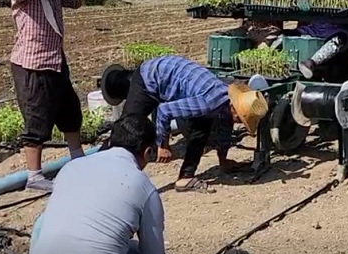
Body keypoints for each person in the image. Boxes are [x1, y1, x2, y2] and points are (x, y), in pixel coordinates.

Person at [100, 55, 269, 193]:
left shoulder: (225, 104)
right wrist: (162, 144)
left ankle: (185, 178)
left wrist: (223, 160)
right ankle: (102, 173)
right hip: (150, 77)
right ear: (234, 106)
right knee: (127, 131)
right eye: (240, 118)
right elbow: (165, 111)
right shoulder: (209, 102)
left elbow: (225, 130)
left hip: (169, 79)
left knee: (200, 129)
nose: (239, 121)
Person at [25, 114, 168, 254]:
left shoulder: (70, 168)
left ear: (110, 142)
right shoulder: (143, 186)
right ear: (147, 152)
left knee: (42, 223)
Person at [9, 0, 86, 192]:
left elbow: (75, 1)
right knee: (37, 117)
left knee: (70, 111)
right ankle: (34, 177)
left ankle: (78, 160)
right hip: (32, 63)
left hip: (55, 60)